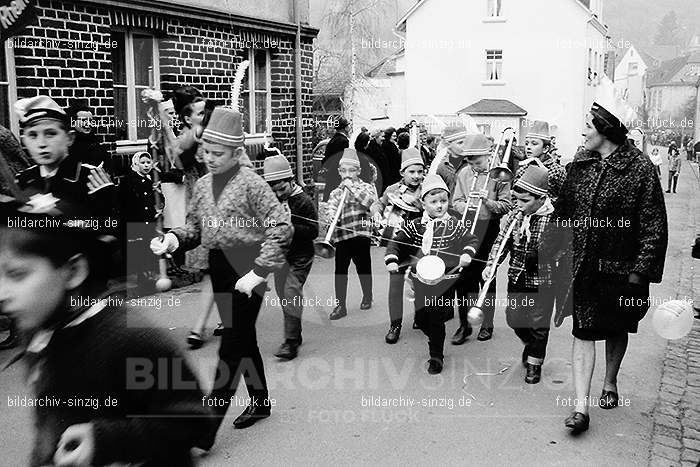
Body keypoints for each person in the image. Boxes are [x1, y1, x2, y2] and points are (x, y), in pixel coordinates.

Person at [0, 198, 210, 466]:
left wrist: (106, 440)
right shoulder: (38, 332)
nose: (2, 293)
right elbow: (49, 424)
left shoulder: (130, 338)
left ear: (73, 271)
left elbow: (194, 419)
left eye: (17, 275)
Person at [150, 106, 292, 447]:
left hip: (248, 267)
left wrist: (259, 271)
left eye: (218, 153)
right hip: (220, 265)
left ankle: (207, 426)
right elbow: (196, 228)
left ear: (237, 152)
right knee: (243, 339)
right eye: (207, 152)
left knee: (231, 346)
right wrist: (174, 238)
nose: (210, 159)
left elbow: (281, 226)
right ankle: (260, 402)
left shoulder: (252, 184)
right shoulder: (201, 185)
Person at [545, 102, 667, 433]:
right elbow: (563, 212)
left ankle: (610, 381)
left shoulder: (640, 169)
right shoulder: (579, 167)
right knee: (583, 330)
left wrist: (639, 273)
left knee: (615, 328)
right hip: (582, 269)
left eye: (587, 125)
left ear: (604, 131)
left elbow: (653, 226)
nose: (582, 131)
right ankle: (580, 408)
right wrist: (550, 248)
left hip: (621, 270)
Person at [385, 174, 478, 374]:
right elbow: (396, 242)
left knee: (435, 318)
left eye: (443, 201)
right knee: (422, 317)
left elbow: (471, 240)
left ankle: (436, 355)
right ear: (423, 203)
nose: (439, 206)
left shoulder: (454, 224)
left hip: (445, 280)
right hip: (420, 280)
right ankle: (433, 336)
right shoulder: (416, 225)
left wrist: (467, 254)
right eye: (433, 201)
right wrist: (392, 258)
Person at [482, 166, 555, 384]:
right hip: (517, 277)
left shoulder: (555, 218)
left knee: (539, 324)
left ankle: (534, 363)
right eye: (517, 200)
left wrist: (546, 254)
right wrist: (491, 265)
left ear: (541, 198)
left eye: (525, 201)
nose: (519, 206)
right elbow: (501, 243)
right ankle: (531, 345)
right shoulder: (515, 216)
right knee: (514, 318)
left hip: (544, 281)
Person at [14, 96, 118, 234]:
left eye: (50, 133)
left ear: (69, 138)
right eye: (33, 135)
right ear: (24, 141)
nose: (41, 143)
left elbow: (114, 232)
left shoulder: (90, 178)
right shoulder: (24, 179)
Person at [452, 134, 513, 343]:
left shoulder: (500, 175)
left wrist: (486, 201)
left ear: (487, 155)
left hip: (490, 229)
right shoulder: (463, 173)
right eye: (469, 160)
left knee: (487, 277)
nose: (473, 165)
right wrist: (467, 206)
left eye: (476, 161)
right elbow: (456, 201)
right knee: (464, 278)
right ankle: (464, 325)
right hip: (469, 227)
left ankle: (487, 324)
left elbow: (506, 206)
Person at [263, 150, 318, 360]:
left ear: (291, 181)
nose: (279, 194)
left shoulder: (302, 201)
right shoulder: (271, 202)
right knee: (284, 294)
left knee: (290, 292)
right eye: (274, 190)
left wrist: (292, 228)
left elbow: (313, 231)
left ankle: (290, 342)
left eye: (282, 188)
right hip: (280, 257)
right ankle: (295, 332)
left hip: (301, 256)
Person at [371, 148, 424, 344]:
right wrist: (376, 212)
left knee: (420, 281)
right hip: (397, 243)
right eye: (412, 172)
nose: (416, 176)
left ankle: (420, 316)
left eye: (420, 171)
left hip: (420, 243)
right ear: (402, 172)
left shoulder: (427, 189)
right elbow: (379, 203)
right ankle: (395, 325)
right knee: (395, 284)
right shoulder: (392, 190)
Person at [325, 148, 377, 320]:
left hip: (361, 235)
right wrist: (332, 216)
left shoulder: (366, 187)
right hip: (342, 237)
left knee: (363, 268)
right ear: (339, 172)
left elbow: (369, 202)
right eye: (344, 170)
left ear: (359, 171)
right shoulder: (336, 193)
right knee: (340, 271)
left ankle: (367, 295)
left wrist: (352, 187)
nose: (348, 174)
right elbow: (331, 208)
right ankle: (340, 305)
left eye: (352, 170)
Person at [119, 151, 157, 296]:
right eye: (143, 162)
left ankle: (147, 281)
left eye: (148, 162)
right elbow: (124, 204)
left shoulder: (149, 181)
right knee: (137, 251)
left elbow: (156, 199)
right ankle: (138, 283)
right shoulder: (128, 181)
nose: (146, 165)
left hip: (148, 221)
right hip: (135, 221)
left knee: (148, 249)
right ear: (136, 164)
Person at [514, 121, 566, 201]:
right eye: (527, 143)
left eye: (534, 144)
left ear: (545, 149)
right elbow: (515, 199)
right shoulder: (522, 170)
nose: (528, 147)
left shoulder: (557, 171)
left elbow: (565, 199)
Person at [66, 100, 111, 171]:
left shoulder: (96, 144)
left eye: (90, 120)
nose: (88, 124)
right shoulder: (67, 145)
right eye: (84, 120)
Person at [322, 117, 351, 201]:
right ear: (345, 128)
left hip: (331, 170)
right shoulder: (344, 141)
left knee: (329, 190)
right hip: (337, 171)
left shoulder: (333, 140)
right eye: (348, 126)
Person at [365, 129, 388, 194]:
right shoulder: (372, 150)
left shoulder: (378, 147)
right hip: (378, 180)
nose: (384, 138)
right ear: (376, 137)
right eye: (382, 136)